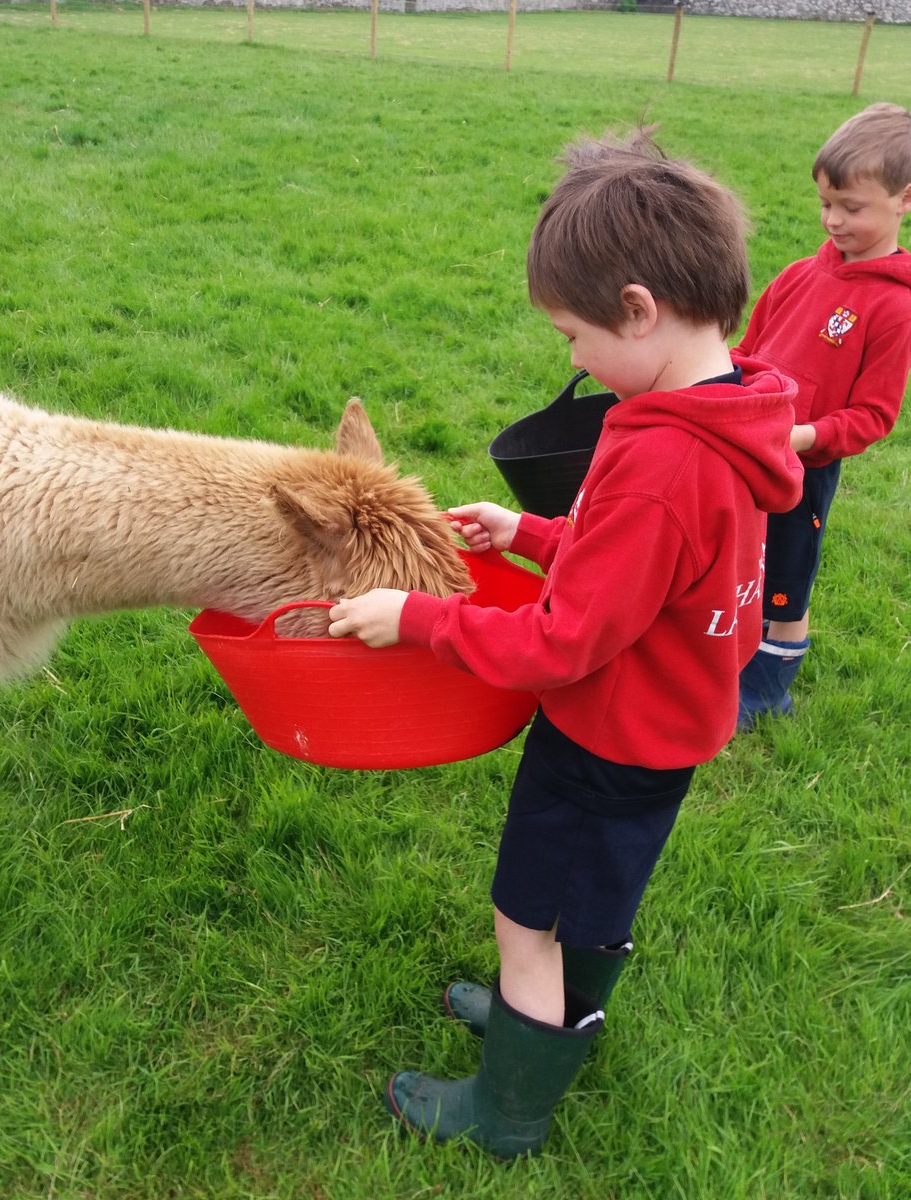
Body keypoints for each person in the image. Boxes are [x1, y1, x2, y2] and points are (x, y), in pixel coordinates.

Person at [326, 129, 803, 1160]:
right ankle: (544, 1016)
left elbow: (562, 642)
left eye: (573, 335)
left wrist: (416, 618)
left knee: (526, 918)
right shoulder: (727, 417)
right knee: (593, 899)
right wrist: (530, 533)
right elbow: (648, 578)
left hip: (603, 741)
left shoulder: (663, 462)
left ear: (638, 308)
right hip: (666, 731)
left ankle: (506, 1111)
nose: (573, 359)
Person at [733, 102, 911, 730]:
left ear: (905, 200)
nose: (833, 220)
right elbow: (746, 353)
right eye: (825, 203)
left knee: (785, 580)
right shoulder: (796, 276)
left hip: (802, 469)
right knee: (739, 561)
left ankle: (767, 689)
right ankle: (725, 658)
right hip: (746, 451)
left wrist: (803, 435)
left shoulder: (895, 308)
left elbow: (874, 416)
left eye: (852, 207)